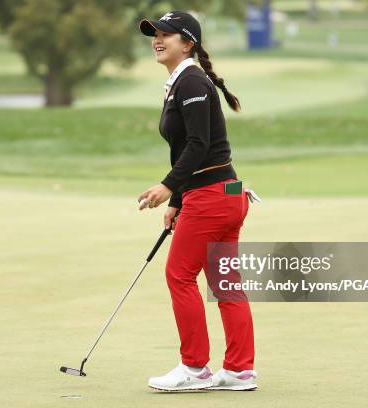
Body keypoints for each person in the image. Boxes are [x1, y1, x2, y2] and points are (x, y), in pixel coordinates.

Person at [137, 11, 257, 392]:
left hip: (211, 198)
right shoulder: (185, 80)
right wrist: (180, 200)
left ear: (187, 43)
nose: (157, 39)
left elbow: (198, 144)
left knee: (179, 275)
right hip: (224, 194)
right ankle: (239, 371)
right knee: (225, 285)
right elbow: (198, 151)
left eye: (166, 35)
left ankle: (194, 369)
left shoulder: (190, 81)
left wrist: (168, 187)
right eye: (154, 34)